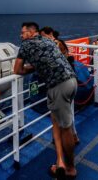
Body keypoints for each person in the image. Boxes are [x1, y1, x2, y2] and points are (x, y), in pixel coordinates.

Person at [14, 22, 78, 178]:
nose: (21, 36)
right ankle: (61, 160)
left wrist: (30, 67)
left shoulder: (25, 46)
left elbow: (17, 70)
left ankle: (70, 168)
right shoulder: (49, 40)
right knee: (60, 122)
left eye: (23, 33)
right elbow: (50, 60)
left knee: (65, 127)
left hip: (58, 87)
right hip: (72, 81)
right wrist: (37, 66)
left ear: (31, 32)